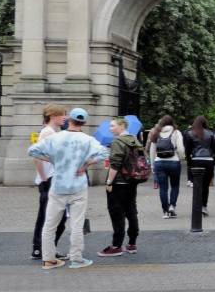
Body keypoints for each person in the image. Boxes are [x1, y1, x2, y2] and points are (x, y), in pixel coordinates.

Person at [27, 107, 108, 270]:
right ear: (84, 122)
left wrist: (51, 160)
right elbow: (104, 153)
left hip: (58, 186)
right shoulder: (88, 140)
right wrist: (86, 165)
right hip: (78, 186)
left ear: (69, 120)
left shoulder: (56, 138)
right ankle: (77, 259)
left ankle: (48, 259)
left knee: (49, 224)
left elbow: (33, 151)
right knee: (76, 224)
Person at [98, 117, 142, 257]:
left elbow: (115, 165)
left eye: (112, 126)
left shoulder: (118, 142)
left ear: (122, 126)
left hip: (118, 182)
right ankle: (132, 243)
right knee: (131, 211)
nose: (110, 129)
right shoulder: (135, 140)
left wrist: (109, 181)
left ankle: (116, 245)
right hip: (132, 181)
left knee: (117, 213)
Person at [31, 105, 68, 260]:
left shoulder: (54, 132)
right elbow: (36, 155)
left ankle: (46, 247)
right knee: (49, 216)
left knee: (57, 216)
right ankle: (40, 248)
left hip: (53, 178)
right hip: (49, 179)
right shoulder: (47, 132)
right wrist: (44, 178)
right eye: (62, 115)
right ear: (53, 116)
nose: (65, 118)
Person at [148, 115, 185, 218]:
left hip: (159, 163)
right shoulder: (176, 132)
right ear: (172, 122)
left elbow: (152, 150)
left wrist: (152, 165)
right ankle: (172, 206)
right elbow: (181, 149)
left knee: (163, 188)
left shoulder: (156, 133)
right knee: (175, 186)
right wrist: (181, 157)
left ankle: (165, 211)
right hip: (174, 162)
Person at [184, 116, 215, 216]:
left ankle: (196, 206)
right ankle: (204, 206)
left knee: (197, 185)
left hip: (196, 160)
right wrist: (213, 161)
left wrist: (189, 162)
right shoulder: (210, 133)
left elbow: (188, 150)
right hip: (208, 160)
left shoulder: (190, 133)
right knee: (205, 186)